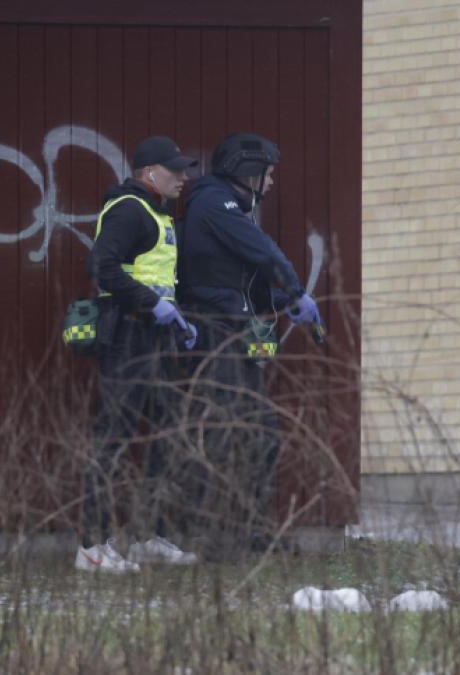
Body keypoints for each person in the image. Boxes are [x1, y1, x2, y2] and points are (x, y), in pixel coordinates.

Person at [176, 132, 320, 557]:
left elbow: (234, 281)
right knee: (224, 433)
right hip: (215, 332)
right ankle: (213, 537)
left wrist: (279, 303)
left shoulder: (230, 208)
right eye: (268, 174)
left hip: (235, 329)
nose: (271, 182)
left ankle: (254, 530)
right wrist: (295, 291)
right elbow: (263, 252)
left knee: (260, 433)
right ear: (248, 172)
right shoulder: (213, 203)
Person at [76, 136, 201, 572]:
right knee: (113, 439)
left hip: (154, 337)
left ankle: (149, 535)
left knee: (166, 436)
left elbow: (155, 277)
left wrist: (177, 319)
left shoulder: (157, 214)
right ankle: (91, 547)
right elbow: (101, 267)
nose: (184, 177)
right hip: (128, 335)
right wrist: (153, 305)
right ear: (149, 172)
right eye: (175, 170)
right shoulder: (130, 210)